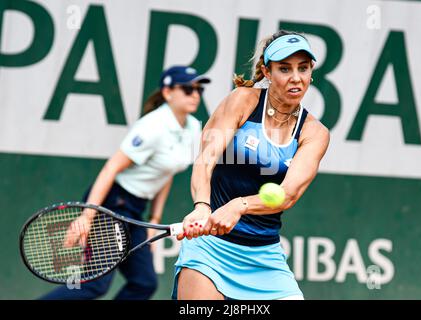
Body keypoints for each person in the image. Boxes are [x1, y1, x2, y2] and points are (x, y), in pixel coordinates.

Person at [173, 30, 330, 300]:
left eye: (303, 68)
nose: (295, 77)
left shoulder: (315, 133)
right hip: (210, 250)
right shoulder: (241, 100)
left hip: (264, 258)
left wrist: (238, 206)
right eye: (284, 68)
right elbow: (205, 160)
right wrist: (202, 206)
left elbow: (288, 194)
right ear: (267, 72)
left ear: (311, 72)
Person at [40, 65, 210, 300]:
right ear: (168, 92)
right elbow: (111, 168)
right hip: (111, 204)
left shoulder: (192, 127)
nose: (195, 94)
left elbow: (166, 173)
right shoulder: (153, 126)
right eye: (187, 89)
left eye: (199, 89)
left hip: (135, 209)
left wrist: (154, 218)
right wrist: (87, 217)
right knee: (94, 285)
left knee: (144, 283)